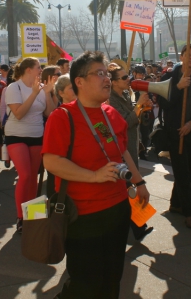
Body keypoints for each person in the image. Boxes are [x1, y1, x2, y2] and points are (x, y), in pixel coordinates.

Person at [42, 51, 150, 299]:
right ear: (79, 81)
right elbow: (51, 161)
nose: (107, 79)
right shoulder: (63, 116)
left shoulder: (110, 114)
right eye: (99, 73)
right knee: (85, 283)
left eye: (107, 74)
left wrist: (139, 182)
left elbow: (122, 151)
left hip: (117, 209)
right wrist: (93, 176)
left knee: (112, 277)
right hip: (82, 215)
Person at [158, 45, 191, 229]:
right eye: (188, 55)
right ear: (181, 56)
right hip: (175, 132)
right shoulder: (168, 78)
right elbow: (163, 104)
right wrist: (178, 88)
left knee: (187, 170)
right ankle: (190, 213)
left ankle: (175, 203)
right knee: (181, 171)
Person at [4, 57, 56, 233]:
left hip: (36, 135)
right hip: (15, 135)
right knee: (25, 175)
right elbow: (18, 113)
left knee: (33, 176)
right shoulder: (14, 87)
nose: (41, 71)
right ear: (28, 70)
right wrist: (34, 93)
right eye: (38, 68)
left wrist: (47, 93)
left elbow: (49, 113)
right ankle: (20, 218)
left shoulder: (41, 88)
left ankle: (32, 216)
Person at [107, 63, 153, 242]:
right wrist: (138, 106)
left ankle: (138, 226)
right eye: (124, 78)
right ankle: (138, 226)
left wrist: (142, 108)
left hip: (132, 144)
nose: (129, 80)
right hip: (122, 149)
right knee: (128, 186)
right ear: (113, 82)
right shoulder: (110, 100)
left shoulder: (125, 94)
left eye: (128, 76)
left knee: (129, 187)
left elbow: (134, 119)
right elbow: (124, 123)